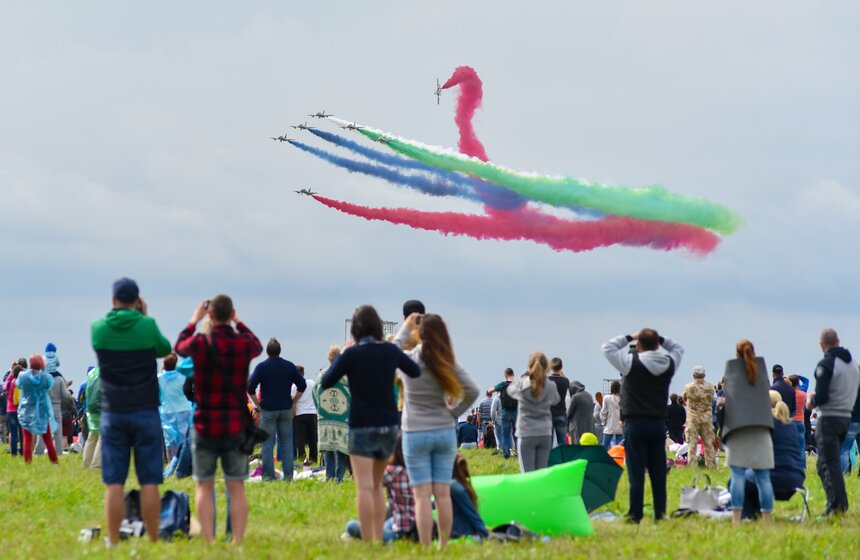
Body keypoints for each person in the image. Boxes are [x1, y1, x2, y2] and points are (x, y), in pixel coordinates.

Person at [320, 305, 420, 544]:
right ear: (377, 327)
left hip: (361, 425)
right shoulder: (389, 351)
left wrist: (344, 352)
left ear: (355, 329)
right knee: (377, 485)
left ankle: (368, 539)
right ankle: (378, 535)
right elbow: (414, 371)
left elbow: (326, 381)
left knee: (364, 486)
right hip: (388, 425)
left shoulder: (352, 355)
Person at [175, 295, 262, 544]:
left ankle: (209, 539)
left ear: (210, 316)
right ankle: (236, 541)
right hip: (235, 423)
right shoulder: (242, 344)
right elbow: (257, 345)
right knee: (236, 487)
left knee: (204, 485)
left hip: (205, 423)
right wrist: (239, 322)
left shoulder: (201, 343)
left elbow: (180, 346)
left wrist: (195, 318)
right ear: (231, 314)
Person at [92, 278, 172, 545]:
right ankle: (151, 538)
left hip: (113, 411)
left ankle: (113, 540)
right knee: (149, 480)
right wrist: (144, 317)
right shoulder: (146, 325)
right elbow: (164, 349)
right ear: (138, 301)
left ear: (113, 300)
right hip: (145, 410)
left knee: (114, 481)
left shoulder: (98, 329)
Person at [394, 312, 480, 548]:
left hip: (414, 432)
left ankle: (425, 546)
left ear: (420, 334)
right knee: (442, 494)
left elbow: (391, 353)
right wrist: (453, 411)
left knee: (421, 496)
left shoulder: (410, 359)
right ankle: (443, 544)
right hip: (443, 430)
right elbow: (473, 389)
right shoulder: (447, 361)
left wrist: (404, 328)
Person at [602, 329, 683, 524]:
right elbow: (677, 348)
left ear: (638, 346)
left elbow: (608, 348)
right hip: (657, 423)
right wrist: (660, 338)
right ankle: (660, 513)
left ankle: (635, 513)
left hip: (635, 422)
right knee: (658, 471)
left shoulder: (630, 363)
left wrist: (631, 336)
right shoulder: (668, 364)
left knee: (636, 471)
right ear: (657, 344)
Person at [807, 328, 860, 516]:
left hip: (829, 417)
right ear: (838, 340)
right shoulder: (853, 364)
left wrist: (811, 401)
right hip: (846, 416)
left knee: (828, 464)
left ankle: (837, 505)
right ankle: (836, 503)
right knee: (828, 463)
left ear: (822, 345)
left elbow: (821, 396)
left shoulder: (827, 364)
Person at [721, 339, 774, 525]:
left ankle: (736, 519)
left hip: (737, 429)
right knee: (763, 477)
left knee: (737, 476)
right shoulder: (763, 373)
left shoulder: (731, 373)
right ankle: (767, 519)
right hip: (761, 429)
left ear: (736, 354)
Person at [737, 392, 806, 519]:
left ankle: (748, 516)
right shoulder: (791, 425)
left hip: (774, 476)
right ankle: (756, 512)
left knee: (739, 479)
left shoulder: (765, 423)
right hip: (797, 478)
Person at [247, 337, 306, 481]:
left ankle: (268, 476)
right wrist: (293, 400)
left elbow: (250, 387)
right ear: (280, 351)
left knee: (267, 444)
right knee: (286, 443)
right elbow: (302, 385)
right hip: (285, 409)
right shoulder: (289, 366)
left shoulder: (262, 367)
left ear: (267, 351)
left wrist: (257, 404)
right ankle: (288, 476)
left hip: (267, 410)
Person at [344, 435, 417, 542]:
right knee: (388, 510)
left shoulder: (393, 471)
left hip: (399, 531)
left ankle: (367, 534)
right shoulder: (416, 470)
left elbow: (370, 481)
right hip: (414, 524)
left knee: (351, 526)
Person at [506, 352, 560, 473]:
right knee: (540, 476)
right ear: (546, 367)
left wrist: (525, 376)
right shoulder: (550, 385)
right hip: (545, 433)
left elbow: (510, 390)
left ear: (529, 366)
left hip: (526, 432)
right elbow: (556, 400)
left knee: (527, 476)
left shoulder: (521, 384)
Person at [315, 345, 351, 482]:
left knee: (328, 448)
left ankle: (329, 475)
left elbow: (315, 394)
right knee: (340, 448)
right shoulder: (346, 377)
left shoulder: (321, 376)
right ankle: (339, 476)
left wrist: (320, 409)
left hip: (325, 417)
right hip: (342, 417)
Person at [16, 355, 59, 464]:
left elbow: (18, 385)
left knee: (27, 438)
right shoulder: (45, 377)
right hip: (41, 412)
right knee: (47, 438)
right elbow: (49, 385)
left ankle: (27, 461)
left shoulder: (23, 376)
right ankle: (54, 461)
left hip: (26, 410)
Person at [158, 353, 193, 470]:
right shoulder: (182, 376)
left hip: (166, 412)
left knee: (170, 441)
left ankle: (171, 466)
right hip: (184, 410)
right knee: (184, 440)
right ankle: (183, 465)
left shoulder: (159, 379)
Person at [682, 365, 716, 467]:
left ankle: (692, 464)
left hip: (693, 418)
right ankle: (710, 464)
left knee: (692, 444)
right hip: (706, 417)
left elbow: (684, 398)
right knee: (708, 443)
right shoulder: (710, 387)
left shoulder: (688, 387)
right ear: (704, 375)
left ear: (694, 375)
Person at [450, 454, 489, 540]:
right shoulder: (458, 485)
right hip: (464, 534)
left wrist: (486, 535)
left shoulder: (454, 487)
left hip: (464, 535)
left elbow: (473, 515)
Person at [292, 364, 318, 465]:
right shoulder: (312, 383)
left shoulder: (294, 386)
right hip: (312, 413)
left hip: (299, 414)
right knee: (312, 438)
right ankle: (314, 458)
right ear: (303, 373)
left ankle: (302, 457)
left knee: (300, 439)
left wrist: (293, 415)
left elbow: (293, 402)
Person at [494, 368, 518, 459]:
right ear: (513, 374)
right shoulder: (517, 384)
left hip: (505, 412)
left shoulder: (502, 385)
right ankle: (518, 452)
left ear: (505, 375)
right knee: (516, 434)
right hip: (516, 412)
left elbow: (491, 390)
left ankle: (506, 454)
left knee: (505, 434)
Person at [82, 366, 102, 469]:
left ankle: (86, 463)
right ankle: (96, 465)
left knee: (92, 437)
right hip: (103, 408)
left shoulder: (92, 372)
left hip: (91, 408)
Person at [548, 358, 570, 446]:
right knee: (562, 442)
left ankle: (549, 459)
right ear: (561, 367)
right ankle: (563, 459)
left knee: (548, 442)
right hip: (561, 412)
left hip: (549, 413)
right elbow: (568, 383)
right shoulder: (565, 381)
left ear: (550, 367)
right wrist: (561, 372)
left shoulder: (547, 380)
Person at [5, 361, 25, 456]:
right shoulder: (21, 384)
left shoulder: (10, 383)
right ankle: (22, 451)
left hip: (10, 410)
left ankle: (13, 453)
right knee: (22, 433)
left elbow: (4, 385)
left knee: (13, 433)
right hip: (20, 410)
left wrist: (10, 373)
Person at [787, 375, 807, 455]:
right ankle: (803, 465)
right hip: (801, 420)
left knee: (791, 445)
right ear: (798, 383)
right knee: (801, 446)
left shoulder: (789, 394)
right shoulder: (803, 394)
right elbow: (806, 381)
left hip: (792, 421)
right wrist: (799, 376)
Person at [599, 381, 623, 449]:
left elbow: (604, 412)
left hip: (609, 425)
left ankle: (603, 458)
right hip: (619, 426)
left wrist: (603, 422)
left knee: (604, 446)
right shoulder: (621, 398)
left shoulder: (607, 398)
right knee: (619, 447)